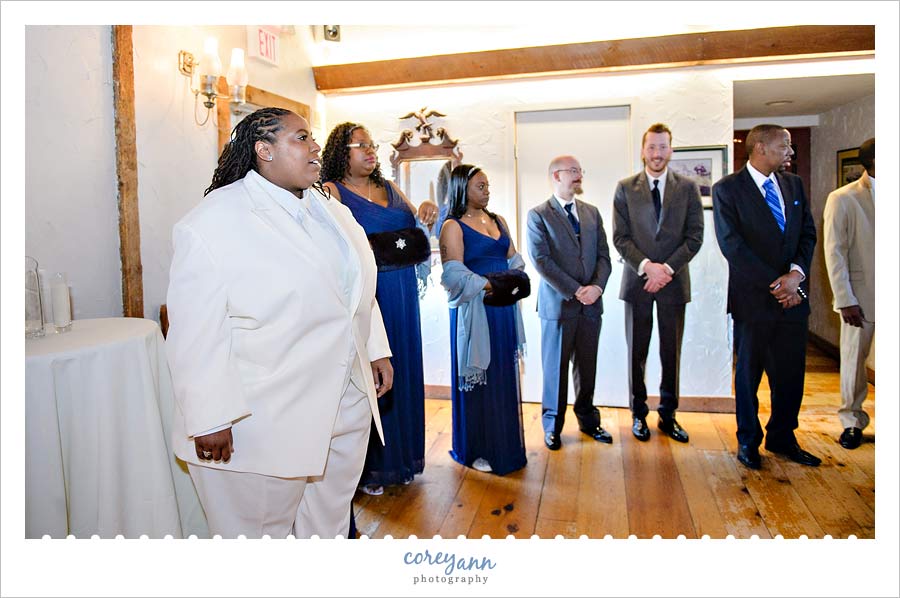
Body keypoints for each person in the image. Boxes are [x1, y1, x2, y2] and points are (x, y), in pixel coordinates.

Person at [165, 107, 393, 538]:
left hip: (344, 398)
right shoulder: (214, 221)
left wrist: (375, 349)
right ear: (263, 150)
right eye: (302, 138)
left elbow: (352, 287)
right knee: (257, 535)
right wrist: (210, 415)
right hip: (264, 414)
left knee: (326, 524)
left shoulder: (328, 207)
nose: (315, 147)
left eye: (313, 138)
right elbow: (195, 329)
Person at [321, 122, 437, 496]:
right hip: (369, 294)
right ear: (342, 152)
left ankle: (403, 460)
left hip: (401, 290)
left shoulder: (389, 188)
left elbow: (414, 225)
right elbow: (334, 247)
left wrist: (425, 211)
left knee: (401, 368)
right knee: (371, 377)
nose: (370, 152)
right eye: (360, 146)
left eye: (372, 145)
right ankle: (372, 469)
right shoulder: (331, 191)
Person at [712, 123, 819, 470]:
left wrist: (796, 276)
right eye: (784, 146)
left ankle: (783, 438)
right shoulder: (727, 189)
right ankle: (748, 441)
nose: (790, 153)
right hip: (753, 301)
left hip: (793, 301)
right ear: (759, 148)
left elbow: (807, 234)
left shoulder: (794, 184)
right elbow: (733, 246)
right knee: (748, 377)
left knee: (790, 376)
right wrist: (778, 285)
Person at [612, 123, 704, 443]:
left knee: (670, 353)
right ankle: (638, 414)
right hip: (637, 284)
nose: (657, 153)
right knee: (636, 352)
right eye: (651, 147)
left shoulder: (689, 188)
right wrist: (648, 267)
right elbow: (620, 239)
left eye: (663, 147)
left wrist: (665, 269)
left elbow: (695, 238)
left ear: (671, 150)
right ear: (642, 150)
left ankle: (668, 415)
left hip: (674, 285)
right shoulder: (625, 188)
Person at [439, 164, 528, 475]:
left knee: (502, 375)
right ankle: (475, 446)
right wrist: (491, 284)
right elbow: (452, 275)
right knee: (479, 380)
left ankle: (505, 445)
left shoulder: (498, 220)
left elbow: (514, 259)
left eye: (488, 185)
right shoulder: (453, 226)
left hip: (503, 309)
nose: (487, 190)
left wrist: (512, 278)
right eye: (480, 186)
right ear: (463, 188)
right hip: (475, 311)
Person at [526, 155, 612, 451]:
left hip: (592, 306)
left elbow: (604, 255)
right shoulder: (538, 215)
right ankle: (552, 426)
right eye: (572, 171)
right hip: (558, 307)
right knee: (555, 370)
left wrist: (597, 287)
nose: (578, 176)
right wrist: (577, 290)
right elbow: (541, 261)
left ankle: (589, 421)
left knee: (587, 368)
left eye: (580, 170)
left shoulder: (592, 213)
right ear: (555, 176)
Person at [823, 137, 875, 450]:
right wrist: (845, 299)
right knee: (855, 362)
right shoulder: (844, 198)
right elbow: (835, 252)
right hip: (861, 296)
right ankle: (852, 421)